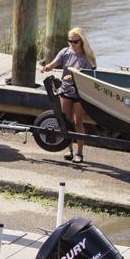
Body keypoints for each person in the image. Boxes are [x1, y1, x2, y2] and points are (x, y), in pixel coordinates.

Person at [41, 27, 98, 163]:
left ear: (82, 41)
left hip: (80, 92)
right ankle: (69, 150)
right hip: (65, 91)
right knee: (66, 121)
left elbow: (90, 76)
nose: (72, 44)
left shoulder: (87, 56)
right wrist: (46, 67)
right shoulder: (65, 52)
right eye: (70, 41)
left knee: (78, 122)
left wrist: (72, 77)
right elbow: (54, 63)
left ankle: (79, 153)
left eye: (75, 41)